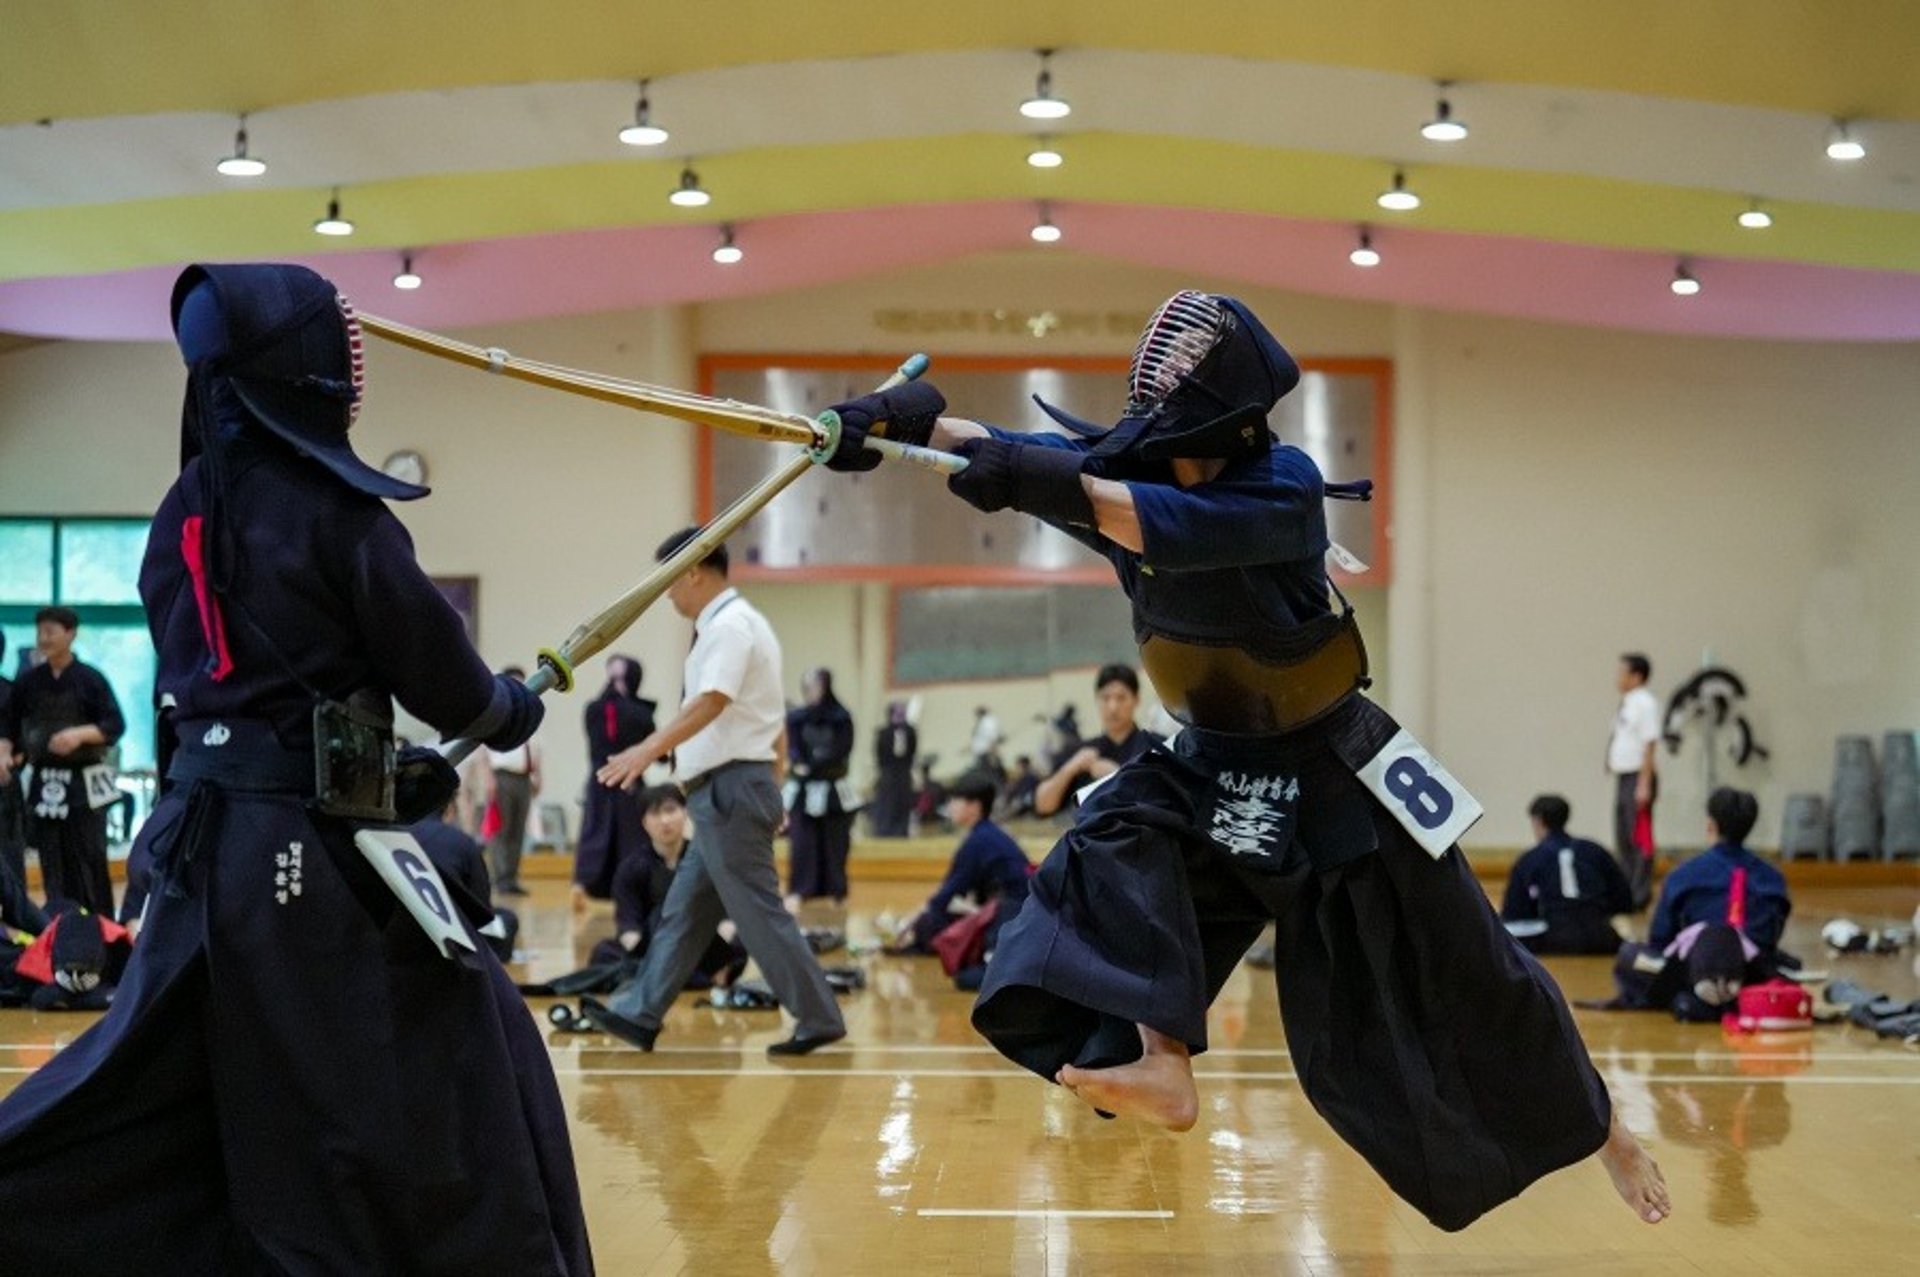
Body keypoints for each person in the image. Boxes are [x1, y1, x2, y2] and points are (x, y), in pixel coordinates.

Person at [821, 289, 1667, 1231]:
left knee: (1474, 961)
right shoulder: (1137, 472)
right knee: (1116, 827)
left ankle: (1606, 1132)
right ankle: (1163, 1062)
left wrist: (1015, 471)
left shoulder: (1283, 487)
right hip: (1214, 762)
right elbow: (1015, 454)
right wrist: (900, 423)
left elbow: (1125, 512)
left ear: (1224, 414)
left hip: (1336, 767)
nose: (1162, 426)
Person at [0, 264, 591, 1273]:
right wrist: (507, 705)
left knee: (168, 1072)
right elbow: (447, 681)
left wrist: (375, 763)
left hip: (198, 851)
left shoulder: (176, 510)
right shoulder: (338, 514)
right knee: (447, 1050)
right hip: (304, 858)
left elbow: (227, 700)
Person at [585, 529, 846, 1057]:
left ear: (693, 571)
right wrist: (768, 786)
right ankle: (640, 1013)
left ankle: (819, 1016)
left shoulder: (730, 627)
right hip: (725, 792)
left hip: (729, 790)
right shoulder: (736, 625)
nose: (666, 595)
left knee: (757, 913)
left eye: (667, 581)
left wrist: (644, 750)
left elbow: (712, 701)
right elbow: (772, 727)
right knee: (685, 912)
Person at [1610, 788, 1790, 1021]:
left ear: (1711, 825)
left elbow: (1661, 940)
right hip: (1752, 975)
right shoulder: (1773, 879)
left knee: (1630, 953)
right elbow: (1771, 938)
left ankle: (1694, 998)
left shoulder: (1683, 875)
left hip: (1692, 974)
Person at [0, 606, 126, 915]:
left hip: (86, 779)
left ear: (70, 634)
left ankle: (101, 928)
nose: (44, 639)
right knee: (50, 857)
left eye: (51, 632)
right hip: (46, 779)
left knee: (89, 855)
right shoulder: (29, 682)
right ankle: (56, 925)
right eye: (40, 632)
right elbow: (10, 726)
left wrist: (80, 734)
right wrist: (6, 751)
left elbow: (114, 725)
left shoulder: (91, 679)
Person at [888, 771, 1032, 968]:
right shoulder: (989, 833)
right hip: (1021, 912)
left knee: (930, 923)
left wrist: (910, 924)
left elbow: (946, 895)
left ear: (974, 806)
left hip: (1010, 916)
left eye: (956, 800)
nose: (950, 806)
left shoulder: (978, 841)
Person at [573, 654, 657, 907]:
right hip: (629, 781)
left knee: (594, 831)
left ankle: (581, 883)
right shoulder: (641, 713)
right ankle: (632, 888)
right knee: (631, 837)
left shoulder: (592, 709)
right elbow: (657, 750)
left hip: (599, 779)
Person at [1502, 794, 1634, 954]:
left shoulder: (1530, 859)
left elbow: (1513, 914)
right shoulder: (1595, 851)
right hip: (1600, 938)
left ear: (1538, 820)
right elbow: (1625, 900)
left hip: (1550, 941)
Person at [1032, 664, 1156, 818]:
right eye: (1106, 698)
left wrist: (1116, 776)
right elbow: (1043, 805)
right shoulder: (1082, 751)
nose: (1113, 707)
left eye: (1121, 698)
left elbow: (1164, 806)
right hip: (1091, 839)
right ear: (1097, 700)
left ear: (1136, 700)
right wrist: (1070, 769)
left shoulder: (1155, 748)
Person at [411, 800, 519, 963]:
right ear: (449, 807)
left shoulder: (392, 836)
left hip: (404, 932)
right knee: (508, 918)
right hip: (453, 935)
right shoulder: (462, 841)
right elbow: (482, 907)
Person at [785, 667, 856, 907]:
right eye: (806, 687)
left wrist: (816, 764)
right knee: (803, 841)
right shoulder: (797, 718)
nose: (810, 692)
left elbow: (842, 750)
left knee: (834, 842)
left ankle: (836, 890)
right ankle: (802, 888)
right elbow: (793, 749)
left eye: (815, 686)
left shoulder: (841, 717)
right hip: (804, 791)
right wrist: (800, 763)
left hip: (833, 789)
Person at [1608, 652, 1662, 910]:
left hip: (1637, 778)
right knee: (1624, 836)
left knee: (1639, 838)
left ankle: (1640, 892)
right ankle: (1627, 888)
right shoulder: (1628, 702)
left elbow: (1650, 744)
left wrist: (1644, 783)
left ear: (1637, 676)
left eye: (1622, 672)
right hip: (1624, 776)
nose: (1618, 678)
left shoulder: (1645, 703)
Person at [483, 664, 541, 897]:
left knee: (518, 830)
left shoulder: (531, 715)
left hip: (524, 778)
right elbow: (482, 751)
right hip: (502, 778)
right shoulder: (496, 714)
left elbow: (537, 750)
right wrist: (488, 778)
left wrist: (537, 775)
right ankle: (501, 878)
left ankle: (513, 877)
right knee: (501, 830)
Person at [868, 700, 917, 837]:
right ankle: (884, 830)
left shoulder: (910, 732)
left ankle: (902, 830)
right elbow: (879, 753)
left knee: (903, 802)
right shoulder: (884, 733)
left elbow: (912, 751)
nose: (901, 716)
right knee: (888, 802)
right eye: (898, 714)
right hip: (888, 771)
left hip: (903, 772)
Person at [0, 631, 26, 888]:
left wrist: (15, 756)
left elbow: (25, 740)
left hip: (4, 785)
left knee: (8, 856)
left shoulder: (11, 692)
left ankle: (13, 924)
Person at [969, 704, 1005, 777]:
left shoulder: (989, 722)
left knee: (990, 775)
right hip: (983, 754)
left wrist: (993, 756)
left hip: (987, 755)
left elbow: (992, 739)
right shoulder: (982, 722)